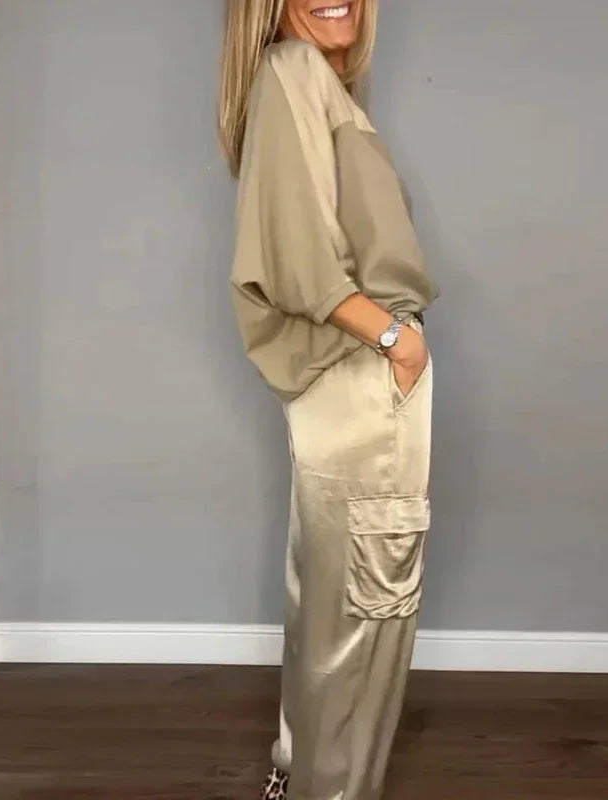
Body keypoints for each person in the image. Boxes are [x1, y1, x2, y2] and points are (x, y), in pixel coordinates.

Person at [219, 2, 439, 797]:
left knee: (332, 608)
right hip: (360, 372)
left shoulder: (315, 82)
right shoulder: (293, 70)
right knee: (364, 616)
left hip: (355, 377)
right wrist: (396, 341)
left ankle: (299, 780)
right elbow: (298, 257)